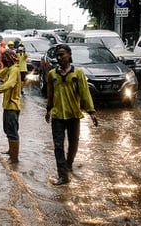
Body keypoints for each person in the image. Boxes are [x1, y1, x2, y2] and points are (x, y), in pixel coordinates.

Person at [44, 44, 98, 185]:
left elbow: (85, 94)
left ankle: (69, 164)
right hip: (57, 116)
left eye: (62, 54)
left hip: (73, 115)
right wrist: (48, 110)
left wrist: (91, 112)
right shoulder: (52, 74)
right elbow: (50, 94)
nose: (59, 57)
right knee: (58, 146)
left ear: (69, 55)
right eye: (57, 55)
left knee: (74, 144)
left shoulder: (78, 73)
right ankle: (63, 175)